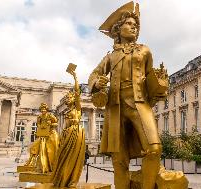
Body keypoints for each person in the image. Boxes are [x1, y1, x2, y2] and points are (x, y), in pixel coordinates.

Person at [88, 2, 168, 189]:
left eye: (136, 25)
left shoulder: (145, 51)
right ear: (118, 29)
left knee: (154, 149)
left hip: (140, 103)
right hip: (115, 108)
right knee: (119, 160)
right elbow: (93, 75)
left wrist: (161, 83)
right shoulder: (110, 56)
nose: (134, 27)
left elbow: (151, 78)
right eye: (130, 24)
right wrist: (96, 83)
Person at [52, 67, 86, 188]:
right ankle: (62, 180)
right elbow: (64, 126)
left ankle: (71, 181)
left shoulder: (77, 108)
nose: (67, 99)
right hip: (66, 134)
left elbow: (77, 92)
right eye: (66, 98)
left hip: (76, 133)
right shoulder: (67, 111)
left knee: (73, 158)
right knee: (62, 158)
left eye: (69, 97)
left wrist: (75, 77)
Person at [24, 103, 59, 173]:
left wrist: (50, 124)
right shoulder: (39, 117)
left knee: (49, 150)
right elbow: (38, 124)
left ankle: (49, 166)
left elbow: (56, 123)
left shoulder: (50, 116)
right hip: (42, 135)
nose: (43, 111)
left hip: (50, 134)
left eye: (44, 109)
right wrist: (40, 127)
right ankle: (34, 162)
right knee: (34, 147)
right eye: (41, 109)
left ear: (46, 110)